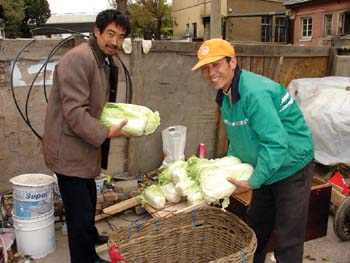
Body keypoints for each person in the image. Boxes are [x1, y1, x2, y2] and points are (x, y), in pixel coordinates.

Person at [192, 38, 314, 263]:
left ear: (233, 63)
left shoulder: (254, 93)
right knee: (255, 231)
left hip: (291, 165)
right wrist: (231, 167)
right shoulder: (225, 94)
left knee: (288, 238)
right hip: (266, 165)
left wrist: (255, 179)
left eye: (216, 64)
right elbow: (238, 136)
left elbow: (276, 143)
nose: (211, 73)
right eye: (205, 68)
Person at [42, 9, 131, 263]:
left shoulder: (100, 59)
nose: (115, 42)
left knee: (89, 197)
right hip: (69, 149)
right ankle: (85, 258)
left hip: (84, 146)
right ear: (96, 31)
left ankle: (90, 235)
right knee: (78, 212)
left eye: (121, 37)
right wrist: (106, 132)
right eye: (110, 34)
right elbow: (74, 112)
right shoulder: (79, 59)